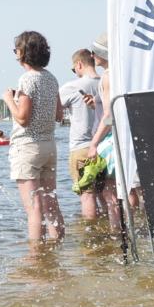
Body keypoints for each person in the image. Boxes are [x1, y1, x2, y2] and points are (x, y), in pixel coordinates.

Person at [4, 31, 64, 241]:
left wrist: (9, 100)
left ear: (23, 53)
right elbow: (59, 115)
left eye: (16, 50)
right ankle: (57, 249)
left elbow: (22, 119)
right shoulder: (52, 78)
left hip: (28, 146)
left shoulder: (26, 80)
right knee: (51, 203)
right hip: (49, 146)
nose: (15, 54)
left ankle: (36, 259)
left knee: (34, 207)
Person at [84, 34, 123, 236]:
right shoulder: (120, 72)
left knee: (109, 193)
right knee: (122, 190)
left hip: (111, 139)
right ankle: (127, 233)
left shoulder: (108, 76)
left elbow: (109, 115)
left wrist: (94, 143)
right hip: (124, 137)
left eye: (95, 52)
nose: (92, 56)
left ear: (103, 54)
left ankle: (117, 235)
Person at [60, 49, 104, 219]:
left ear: (79, 64)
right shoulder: (106, 83)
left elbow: (54, 111)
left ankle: (91, 236)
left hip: (82, 148)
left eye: (74, 70)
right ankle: (111, 235)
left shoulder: (72, 87)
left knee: (87, 195)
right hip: (105, 146)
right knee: (106, 194)